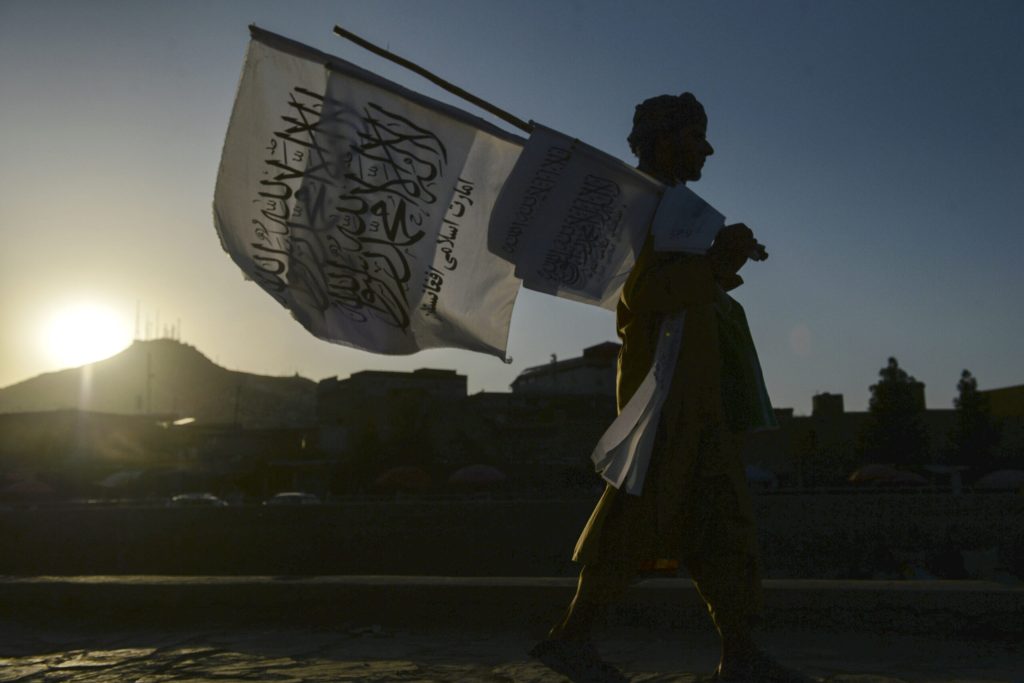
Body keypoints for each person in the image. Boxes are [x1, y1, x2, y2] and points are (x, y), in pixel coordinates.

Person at [529, 93, 814, 682]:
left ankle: (739, 652)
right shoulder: (643, 205)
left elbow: (683, 292)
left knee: (721, 523)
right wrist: (715, 264)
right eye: (695, 136)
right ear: (663, 140)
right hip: (666, 399)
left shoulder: (678, 209)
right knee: (638, 515)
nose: (707, 149)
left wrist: (721, 261)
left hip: (700, 400)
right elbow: (644, 294)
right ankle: (573, 638)